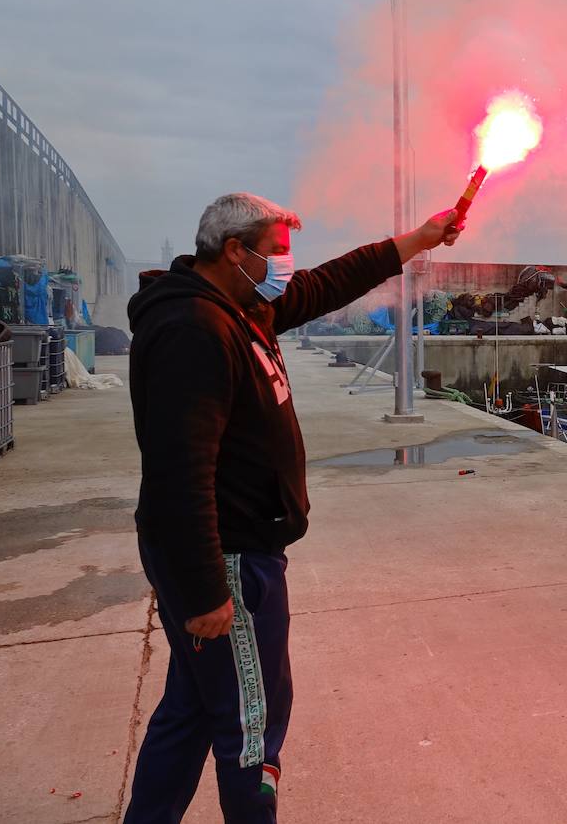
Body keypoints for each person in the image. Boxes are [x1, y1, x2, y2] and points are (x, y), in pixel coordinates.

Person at [124, 193, 463, 823]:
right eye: (276, 251)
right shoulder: (194, 330)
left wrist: (419, 238)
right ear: (234, 251)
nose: (287, 266)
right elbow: (180, 474)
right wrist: (206, 592)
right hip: (226, 559)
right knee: (252, 726)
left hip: (237, 550)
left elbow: (328, 282)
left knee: (192, 709)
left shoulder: (242, 306)